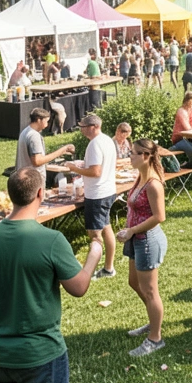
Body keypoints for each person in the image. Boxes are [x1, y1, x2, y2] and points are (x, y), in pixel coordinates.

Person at [0, 167, 104, 383]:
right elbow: (79, 287)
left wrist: (5, 295)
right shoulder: (51, 240)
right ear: (41, 193)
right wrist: (94, 254)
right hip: (40, 354)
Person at [115, 139, 168, 356]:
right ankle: (153, 320)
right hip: (135, 238)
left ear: (146, 156)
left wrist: (132, 230)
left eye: (134, 153)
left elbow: (159, 216)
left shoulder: (153, 184)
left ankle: (155, 338)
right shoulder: (140, 177)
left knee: (149, 290)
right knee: (133, 282)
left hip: (146, 240)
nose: (130, 156)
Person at [65, 114, 119, 279]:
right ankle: (109, 268)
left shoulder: (94, 145)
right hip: (108, 190)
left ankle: (89, 273)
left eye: (84, 126)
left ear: (94, 126)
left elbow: (96, 172)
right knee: (106, 227)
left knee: (95, 235)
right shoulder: (107, 140)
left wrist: (74, 168)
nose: (81, 129)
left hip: (97, 194)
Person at [15, 108, 76, 186]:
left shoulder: (25, 131)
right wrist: (62, 150)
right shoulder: (34, 136)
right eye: (46, 121)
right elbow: (37, 161)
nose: (47, 125)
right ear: (39, 120)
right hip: (33, 181)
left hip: (24, 177)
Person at [170, 92, 192, 165]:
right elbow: (187, 129)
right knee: (191, 146)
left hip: (189, 138)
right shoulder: (181, 111)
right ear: (187, 101)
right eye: (191, 103)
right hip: (179, 138)